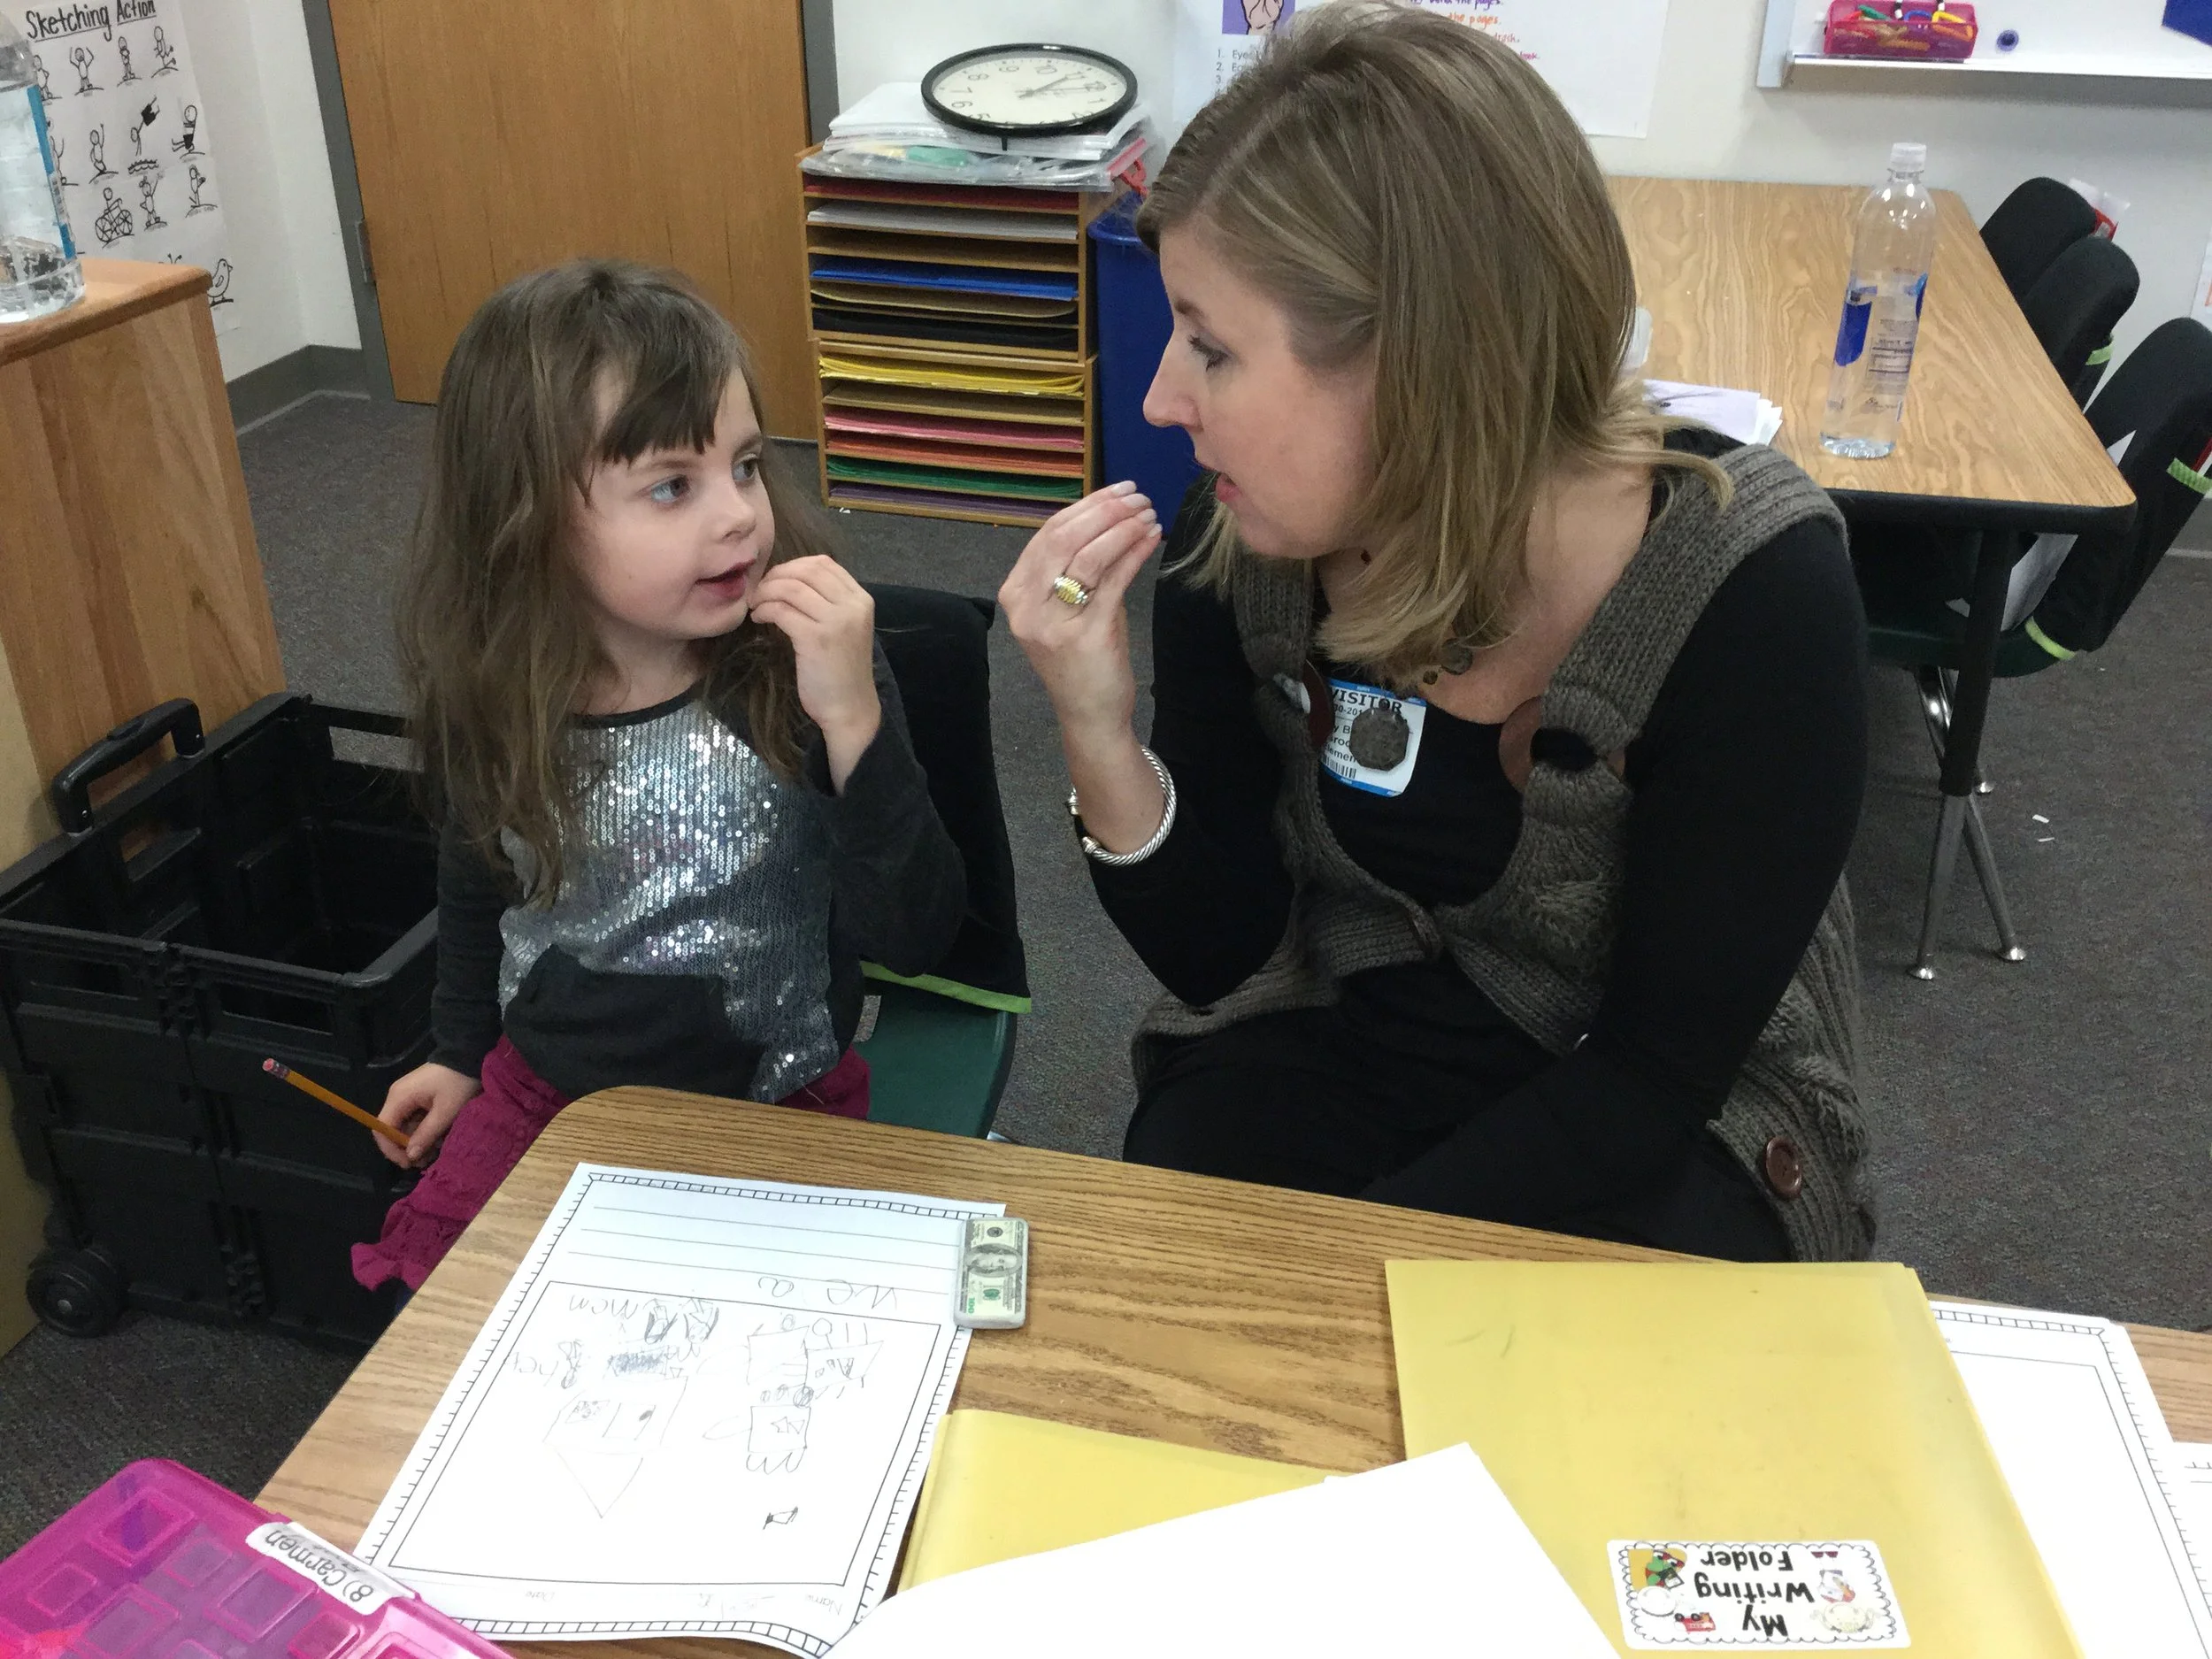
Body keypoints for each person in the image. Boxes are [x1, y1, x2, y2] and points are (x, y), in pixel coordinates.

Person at [1000, 2, 1872, 1262]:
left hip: (1662, 1112)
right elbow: (1221, 952)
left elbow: (1648, 1080)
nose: (1159, 397)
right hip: (1362, 1027)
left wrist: (1353, 1260)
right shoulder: (1238, 544)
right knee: (1185, 1212)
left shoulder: (1751, 592)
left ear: (1417, 363)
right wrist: (1096, 726)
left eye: (1211, 348)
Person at [352, 260, 964, 1293]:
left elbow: (914, 931)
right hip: (549, 1090)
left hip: (775, 1103)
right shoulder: (495, 691)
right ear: (530, 516)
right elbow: (477, 884)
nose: (737, 516)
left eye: (747, 466)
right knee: (447, 1326)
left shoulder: (796, 676)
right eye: (672, 486)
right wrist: (458, 1052)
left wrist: (853, 717)